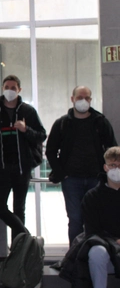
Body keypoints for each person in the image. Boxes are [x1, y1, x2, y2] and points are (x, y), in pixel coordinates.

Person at [45, 86, 117, 246]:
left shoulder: (100, 122)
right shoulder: (62, 123)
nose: (83, 101)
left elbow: (112, 149)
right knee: (75, 219)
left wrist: (109, 172)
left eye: (87, 98)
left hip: (96, 180)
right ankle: (75, 258)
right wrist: (61, 172)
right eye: (79, 97)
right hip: (71, 180)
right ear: (72, 99)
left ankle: (95, 255)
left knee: (96, 219)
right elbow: (50, 151)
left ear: (91, 100)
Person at [0, 75, 47, 243]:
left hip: (22, 167)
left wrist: (26, 130)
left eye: (13, 88)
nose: (10, 90)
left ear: (19, 90)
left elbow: (41, 135)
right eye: (7, 87)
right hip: (1, 167)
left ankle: (18, 247)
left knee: (19, 208)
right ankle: (26, 235)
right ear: (2, 88)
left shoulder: (28, 111)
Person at [59, 147, 120, 288]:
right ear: (106, 167)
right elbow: (93, 229)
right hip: (104, 244)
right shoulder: (92, 196)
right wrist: (116, 240)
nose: (117, 169)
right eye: (113, 165)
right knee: (97, 252)